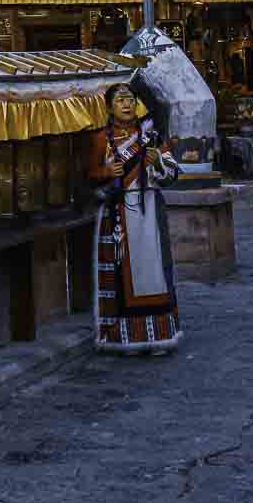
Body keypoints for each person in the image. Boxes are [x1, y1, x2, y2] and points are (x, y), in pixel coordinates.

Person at [87, 83, 181, 353]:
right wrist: (106, 171)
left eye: (130, 99)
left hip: (149, 210)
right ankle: (124, 337)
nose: (127, 105)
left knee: (154, 272)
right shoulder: (100, 139)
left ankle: (159, 334)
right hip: (118, 214)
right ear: (109, 107)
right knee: (122, 274)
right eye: (120, 101)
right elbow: (90, 178)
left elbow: (172, 173)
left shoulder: (150, 135)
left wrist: (157, 163)